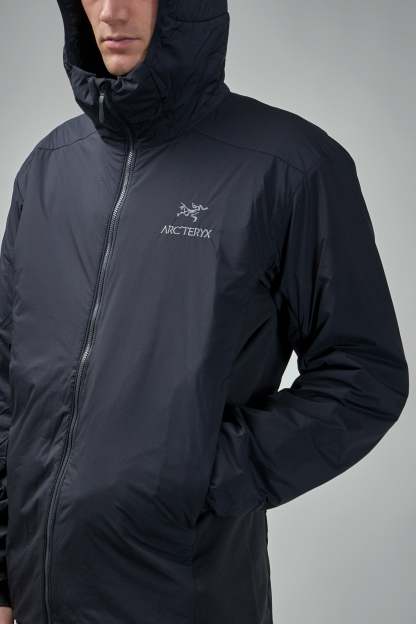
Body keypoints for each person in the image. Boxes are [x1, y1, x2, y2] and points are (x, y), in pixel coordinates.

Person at [0, 1, 409, 623]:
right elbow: (9, 383)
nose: (110, 11)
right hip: (40, 597)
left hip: (184, 593)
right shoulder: (48, 169)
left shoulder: (289, 166)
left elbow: (364, 377)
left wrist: (202, 474)